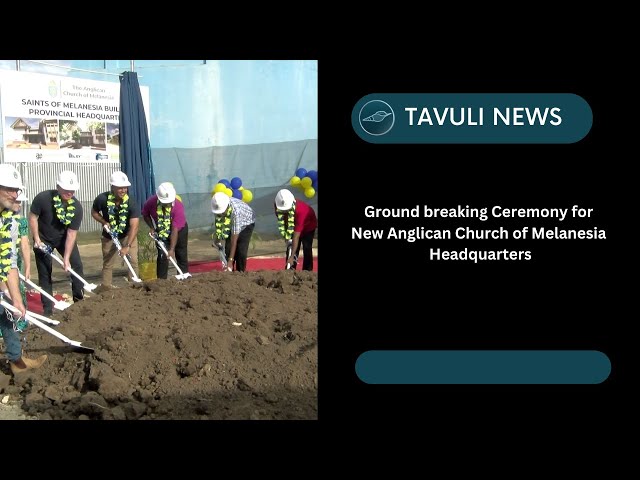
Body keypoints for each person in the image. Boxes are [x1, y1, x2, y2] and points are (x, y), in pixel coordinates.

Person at [0, 164, 47, 374]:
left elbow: (8, 260)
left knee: (6, 313)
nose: (14, 194)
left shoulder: (8, 220)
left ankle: (16, 361)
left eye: (16, 190)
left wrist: (15, 298)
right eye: (9, 189)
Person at [29, 170, 86, 316]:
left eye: (72, 190)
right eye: (66, 189)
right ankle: (48, 308)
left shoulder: (77, 208)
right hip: (43, 239)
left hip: (63, 240)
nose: (70, 193)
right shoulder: (43, 198)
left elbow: (72, 233)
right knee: (45, 273)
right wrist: (36, 239)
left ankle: (79, 301)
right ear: (58, 187)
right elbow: (33, 217)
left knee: (76, 265)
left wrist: (66, 258)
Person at [91, 171, 140, 288]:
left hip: (128, 235)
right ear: (112, 187)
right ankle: (106, 289)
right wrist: (104, 222)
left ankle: (134, 288)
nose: (123, 190)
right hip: (109, 237)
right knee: (108, 263)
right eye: (120, 188)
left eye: (125, 188)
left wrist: (127, 246)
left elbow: (135, 226)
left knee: (133, 261)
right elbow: (94, 212)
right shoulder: (102, 199)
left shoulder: (131, 202)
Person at [141, 182, 189, 279]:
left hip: (179, 231)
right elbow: (145, 214)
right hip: (161, 230)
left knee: (181, 253)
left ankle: (184, 279)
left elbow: (175, 230)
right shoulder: (151, 202)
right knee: (162, 256)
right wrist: (151, 227)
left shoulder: (178, 206)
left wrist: (171, 249)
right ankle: (161, 282)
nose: (167, 203)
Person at [211, 192, 256, 272]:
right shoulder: (217, 205)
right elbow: (219, 224)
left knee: (241, 251)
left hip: (247, 223)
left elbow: (234, 240)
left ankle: (240, 273)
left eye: (222, 212)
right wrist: (217, 240)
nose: (220, 213)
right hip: (233, 222)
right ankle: (229, 272)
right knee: (228, 249)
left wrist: (230, 260)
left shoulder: (236, 211)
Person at [274, 189, 317, 271]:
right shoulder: (278, 203)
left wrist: (292, 255)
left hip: (308, 226)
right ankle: (290, 270)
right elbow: (281, 219)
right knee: (290, 246)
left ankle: (307, 271)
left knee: (306, 247)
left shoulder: (301, 211)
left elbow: (296, 236)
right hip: (293, 224)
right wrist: (287, 236)